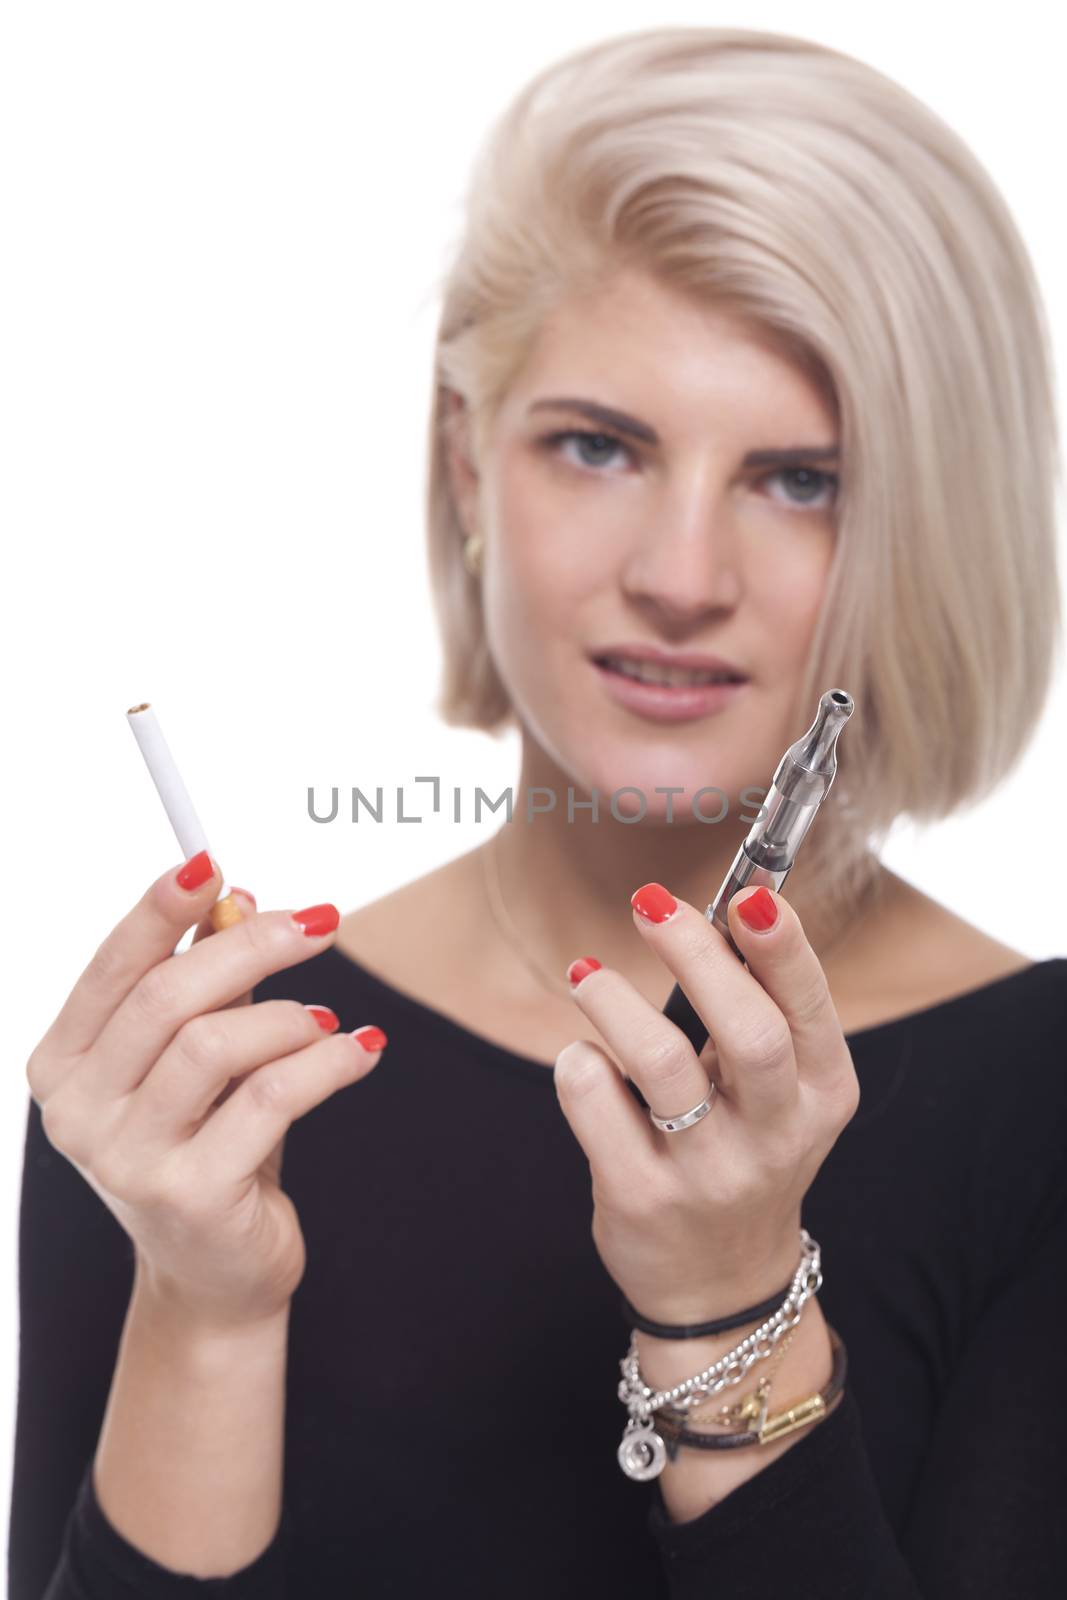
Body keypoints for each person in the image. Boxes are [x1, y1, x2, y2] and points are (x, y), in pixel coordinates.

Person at [10, 24, 1067, 1599]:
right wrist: (206, 1312)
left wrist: (728, 1306)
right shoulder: (203, 1096)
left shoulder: (1040, 1107)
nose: (681, 577)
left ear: (928, 526)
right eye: (598, 445)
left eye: (801, 479)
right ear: (464, 464)